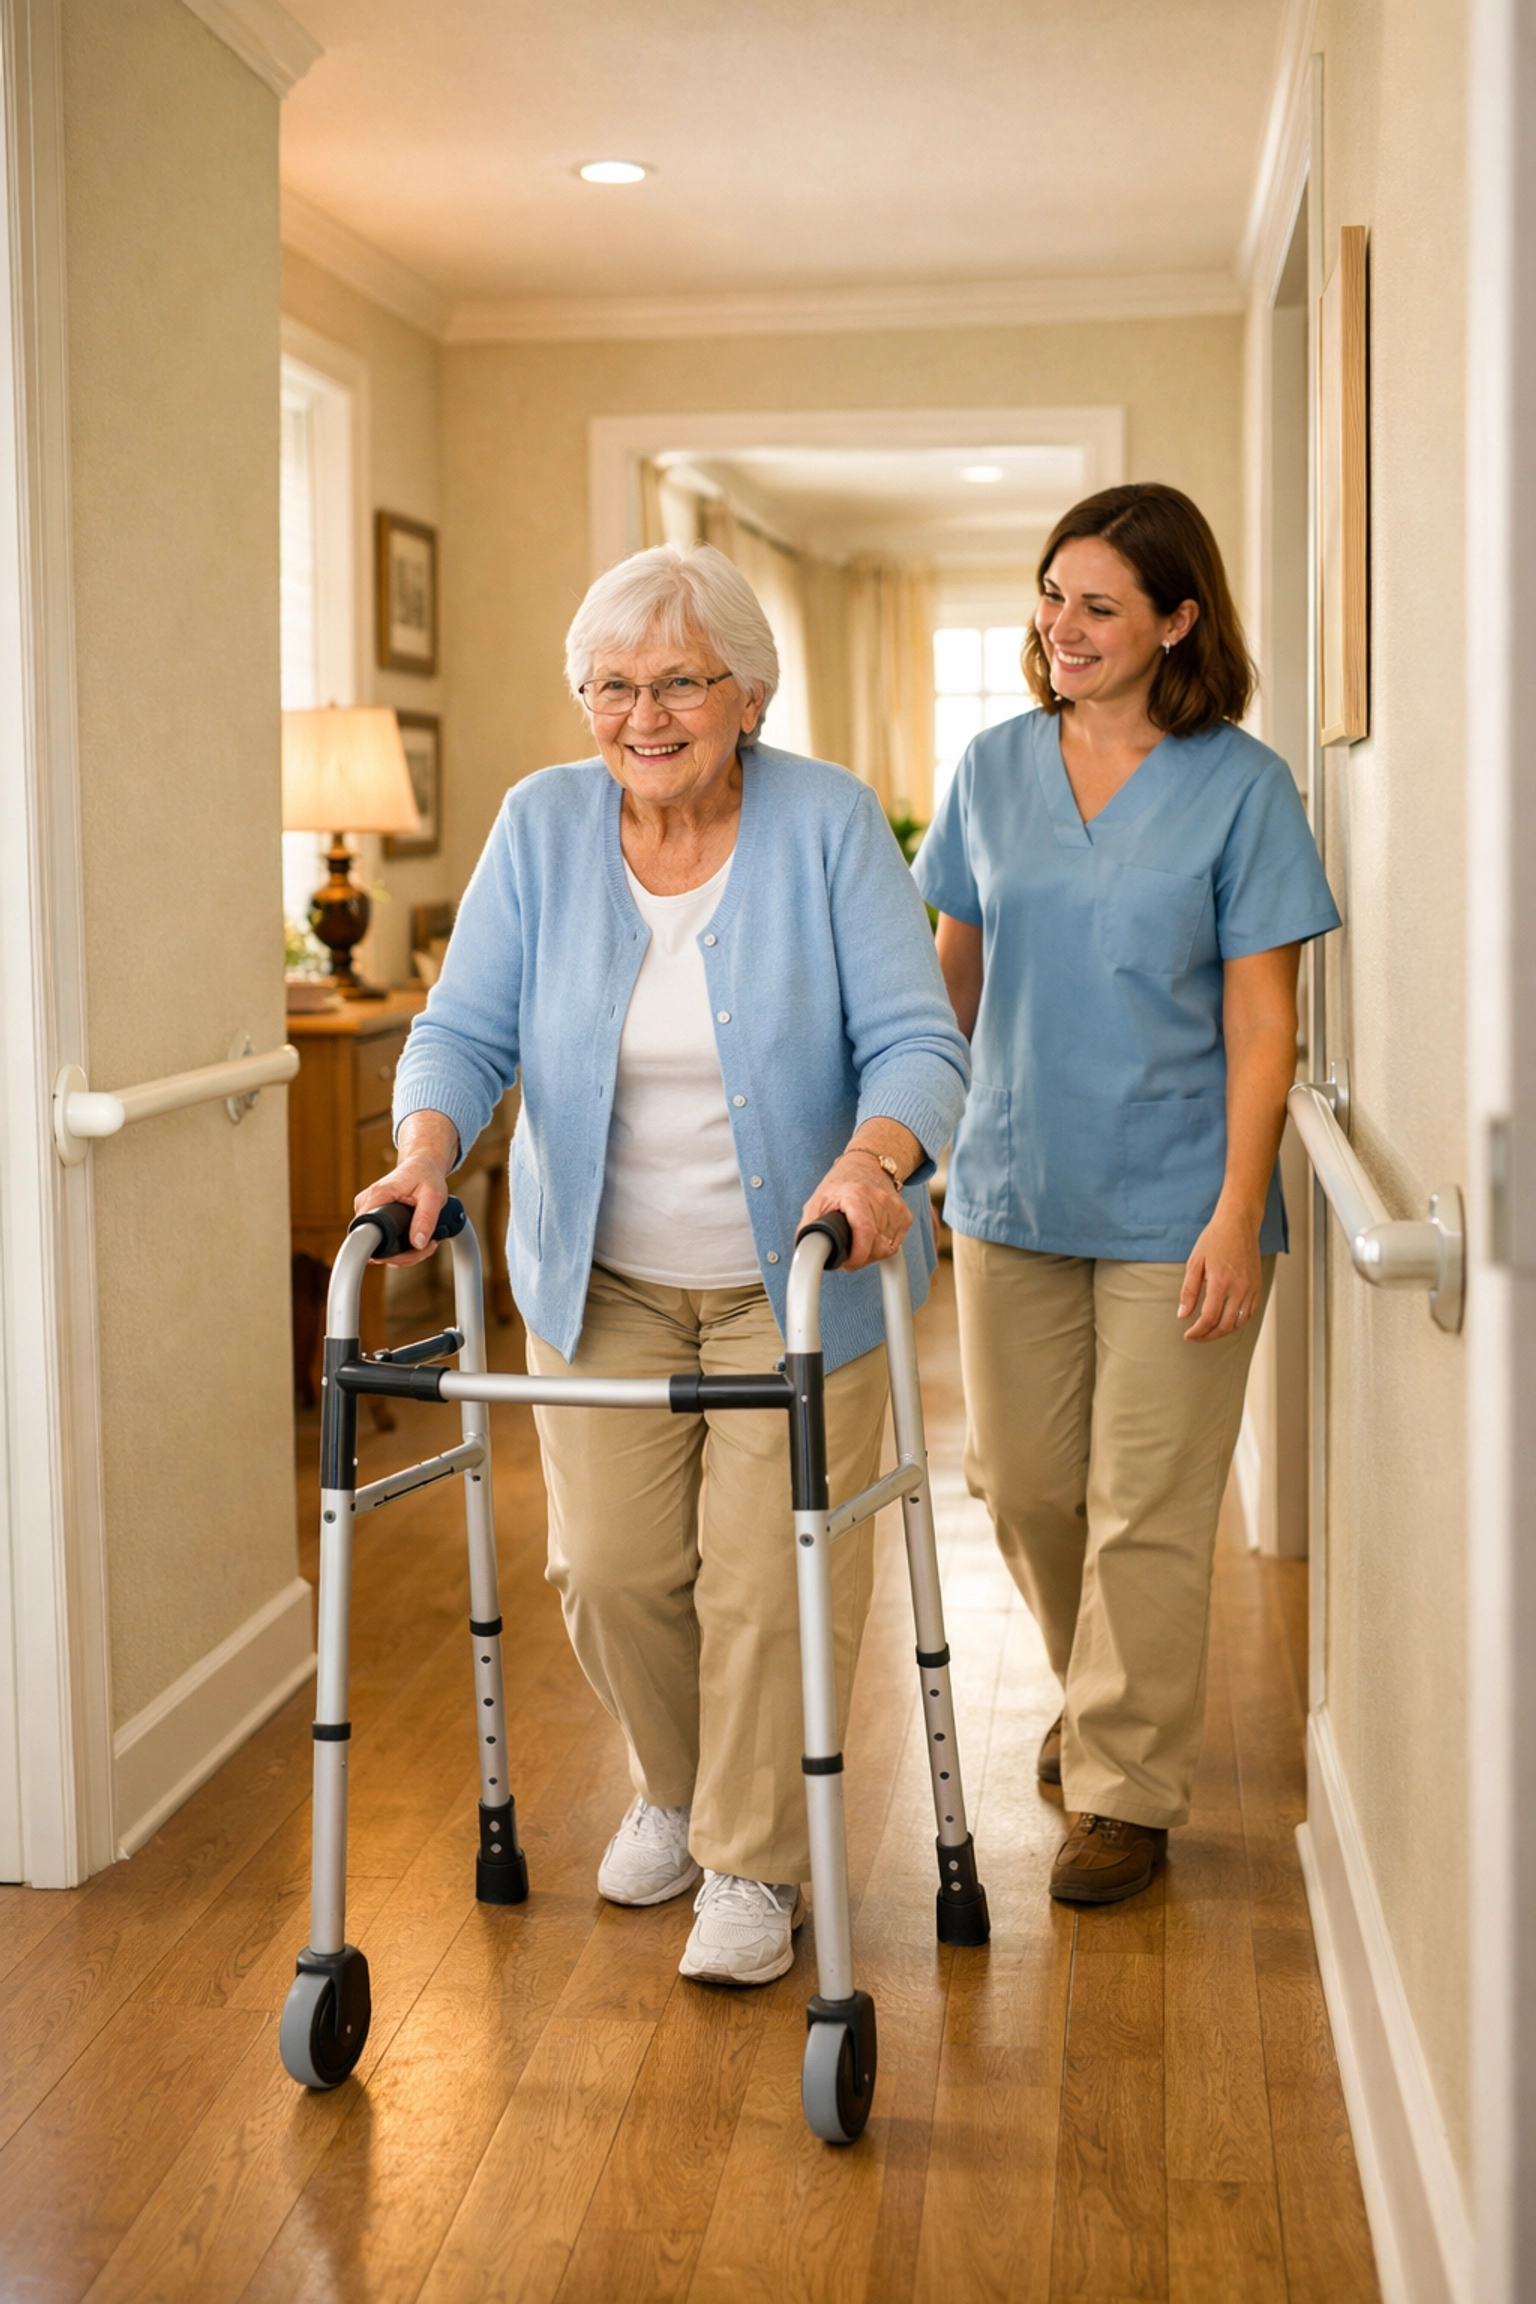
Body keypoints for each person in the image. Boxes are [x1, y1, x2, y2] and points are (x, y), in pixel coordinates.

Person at [358, 543, 969, 1984]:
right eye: (613, 687)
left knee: (769, 1577)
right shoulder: (541, 825)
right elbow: (463, 1027)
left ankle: (754, 1866)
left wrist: (872, 1161)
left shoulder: (826, 827)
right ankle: (683, 1790)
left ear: (746, 693)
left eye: (681, 681)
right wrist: (428, 1146)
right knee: (610, 1571)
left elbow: (917, 1040)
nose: (647, 715)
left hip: (800, 1275)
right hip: (600, 1276)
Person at [914, 482, 1339, 1906]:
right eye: (1052, 596)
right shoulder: (989, 768)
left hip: (1182, 1200)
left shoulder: (1242, 785)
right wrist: (907, 1138)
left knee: (1147, 1504)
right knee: (1026, 1486)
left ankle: (1125, 1795)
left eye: (1100, 605)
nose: (1064, 628)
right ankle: (1102, 1692)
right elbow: (952, 973)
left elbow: (1264, 1024)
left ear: (1178, 620)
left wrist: (1238, 1208)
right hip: (1012, 1181)